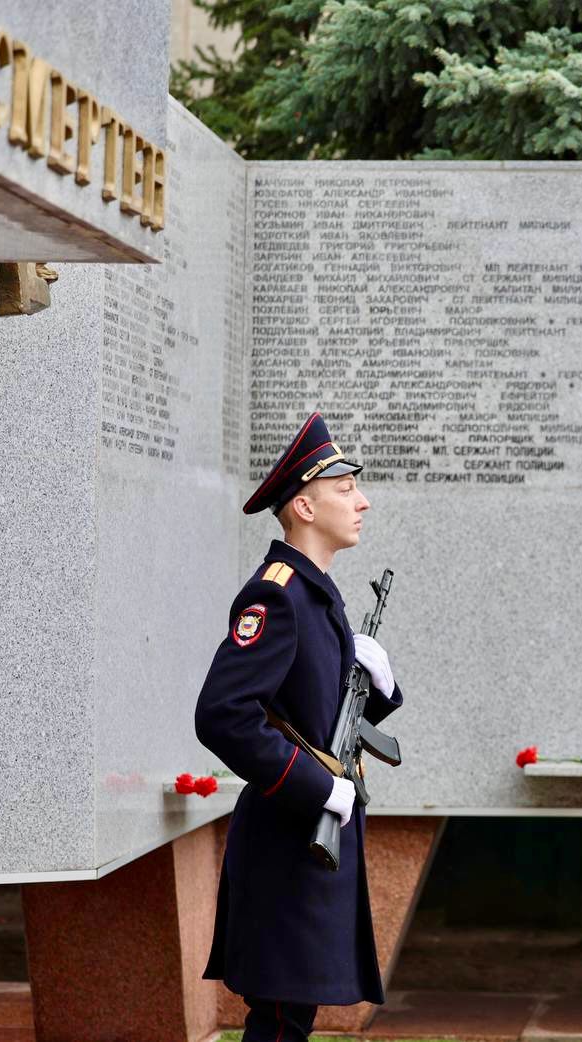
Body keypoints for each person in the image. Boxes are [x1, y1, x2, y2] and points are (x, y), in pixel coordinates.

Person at [195, 412, 402, 1042]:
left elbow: (313, 716)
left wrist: (378, 689)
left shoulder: (319, 595)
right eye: (345, 488)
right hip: (288, 842)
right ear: (305, 507)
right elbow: (224, 716)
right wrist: (318, 787)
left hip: (306, 842)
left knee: (291, 1022)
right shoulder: (277, 596)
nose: (362, 501)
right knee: (282, 1023)